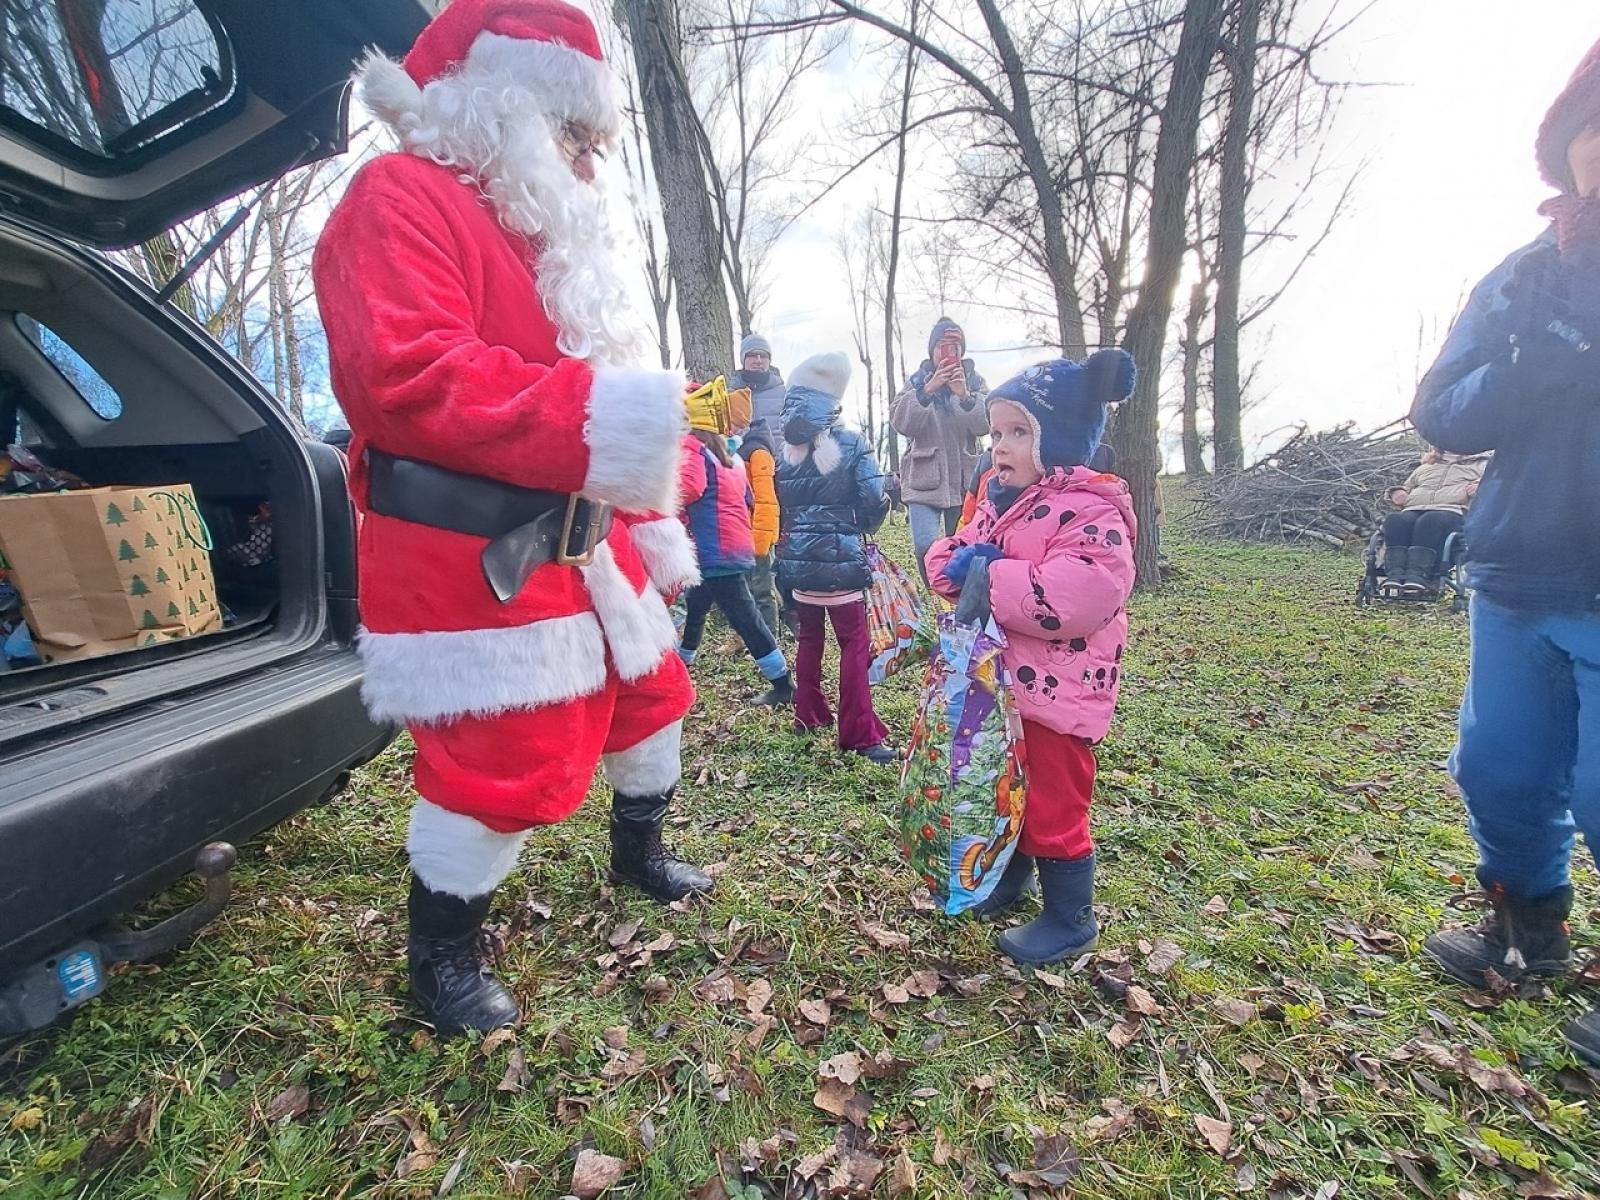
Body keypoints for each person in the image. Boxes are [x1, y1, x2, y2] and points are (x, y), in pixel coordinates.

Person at [312, 0, 711, 1037]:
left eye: (592, 143)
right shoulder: (397, 198)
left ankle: (640, 851)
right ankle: (440, 953)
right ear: (503, 105)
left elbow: (606, 397)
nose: (586, 162)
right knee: (502, 758)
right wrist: (618, 424)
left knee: (651, 697)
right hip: (473, 549)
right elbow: (408, 377)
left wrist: (666, 456)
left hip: (593, 543)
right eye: (572, 135)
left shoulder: (555, 243)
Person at [1411, 36, 1600, 1068]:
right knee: (1499, 769)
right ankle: (1530, 930)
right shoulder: (1521, 276)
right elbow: (1440, 408)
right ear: (1566, 142)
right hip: (1520, 566)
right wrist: (1532, 368)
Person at [926, 351, 1138, 965]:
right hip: (1005, 688)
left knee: (1054, 804)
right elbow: (950, 555)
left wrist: (991, 578)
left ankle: (1071, 918)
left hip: (1058, 693)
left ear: (1062, 438)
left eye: (1020, 432)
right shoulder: (1002, 501)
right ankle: (1012, 880)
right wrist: (960, 564)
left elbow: (1079, 595)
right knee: (1009, 789)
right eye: (996, 432)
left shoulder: (1094, 509)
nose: (1001, 446)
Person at [774, 352, 897, 765]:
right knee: (854, 644)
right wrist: (862, 524)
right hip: (842, 560)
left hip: (798, 562)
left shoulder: (783, 451)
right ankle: (859, 734)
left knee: (809, 640)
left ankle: (807, 714)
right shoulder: (852, 443)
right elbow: (871, 498)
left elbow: (779, 503)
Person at [676, 426, 792, 705]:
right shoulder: (733, 457)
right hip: (729, 546)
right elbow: (748, 499)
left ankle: (783, 684)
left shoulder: (698, 455)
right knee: (695, 606)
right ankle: (681, 669)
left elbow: (685, 492)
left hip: (715, 551)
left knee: (746, 619)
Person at [891, 317, 990, 584]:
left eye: (955, 346)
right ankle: (937, 595)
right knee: (925, 547)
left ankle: (961, 603)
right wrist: (928, 390)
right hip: (925, 479)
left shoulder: (976, 383)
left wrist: (964, 397)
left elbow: (984, 425)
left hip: (965, 481)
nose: (948, 352)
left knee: (966, 549)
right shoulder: (916, 383)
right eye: (942, 346)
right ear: (932, 350)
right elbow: (902, 423)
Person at [732, 333, 787, 632]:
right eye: (752, 355)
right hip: (739, 472)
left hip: (775, 469)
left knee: (775, 544)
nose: (758, 360)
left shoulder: (783, 391)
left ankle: (782, 610)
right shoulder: (731, 389)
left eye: (763, 355)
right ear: (743, 359)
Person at [1379, 448, 1488, 596]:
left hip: (1453, 510)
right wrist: (1396, 493)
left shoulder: (1482, 465)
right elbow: (1406, 487)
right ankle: (1395, 574)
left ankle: (1417, 576)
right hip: (1415, 507)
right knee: (1395, 520)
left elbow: (1495, 486)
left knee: (1429, 521)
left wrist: (1482, 487)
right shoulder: (1427, 466)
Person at [734, 410, 786, 638]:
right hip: (743, 531)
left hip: (759, 533)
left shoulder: (758, 453)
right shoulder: (737, 450)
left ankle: (769, 639)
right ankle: (749, 637)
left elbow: (766, 500)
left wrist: (761, 541)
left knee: (762, 590)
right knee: (747, 589)